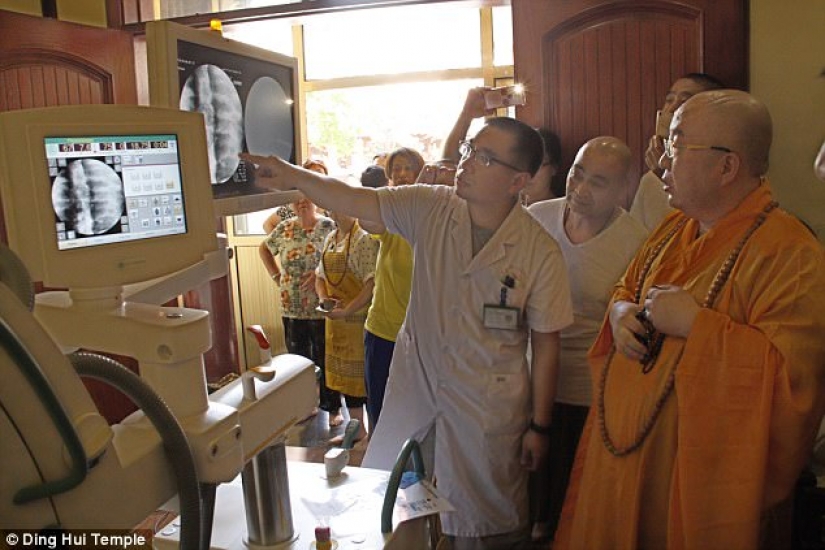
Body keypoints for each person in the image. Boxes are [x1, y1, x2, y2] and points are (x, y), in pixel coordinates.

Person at [242, 115, 573, 548]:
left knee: (485, 531)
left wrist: (540, 426)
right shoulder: (431, 206)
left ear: (519, 181)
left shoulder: (539, 251)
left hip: (487, 410)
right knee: (401, 515)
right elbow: (354, 199)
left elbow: (547, 344)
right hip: (415, 393)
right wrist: (291, 175)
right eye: (471, 149)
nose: (467, 162)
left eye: (485, 158)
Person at [555, 90, 825, 548]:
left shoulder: (790, 253)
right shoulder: (671, 229)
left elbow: (793, 386)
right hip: (625, 462)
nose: (660, 162)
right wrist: (620, 313)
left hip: (693, 484)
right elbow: (628, 288)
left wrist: (697, 326)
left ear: (727, 167)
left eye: (675, 146)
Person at [527, 136, 648, 543]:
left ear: (622, 189)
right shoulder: (535, 217)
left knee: (567, 505)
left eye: (597, 182)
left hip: (588, 393)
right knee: (522, 498)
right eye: (577, 173)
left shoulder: (637, 242)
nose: (579, 189)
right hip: (526, 382)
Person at [359, 147, 424, 433]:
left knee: (417, 414)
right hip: (383, 331)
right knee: (380, 412)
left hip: (421, 336)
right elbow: (366, 220)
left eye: (407, 167)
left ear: (421, 172)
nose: (400, 174)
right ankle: (381, 473)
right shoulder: (390, 220)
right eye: (395, 169)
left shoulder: (433, 216)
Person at [259, 196, 336, 418]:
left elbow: (338, 258)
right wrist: (276, 276)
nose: (302, 203)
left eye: (307, 199)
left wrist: (320, 274)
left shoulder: (328, 226)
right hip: (291, 304)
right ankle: (305, 407)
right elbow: (263, 249)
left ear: (316, 201)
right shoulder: (284, 227)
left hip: (321, 305)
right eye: (296, 200)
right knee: (298, 359)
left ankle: (331, 408)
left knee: (325, 357)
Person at [629, 73, 725, 231]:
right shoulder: (652, 179)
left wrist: (665, 172)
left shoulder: (718, 169)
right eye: (669, 100)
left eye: (685, 101)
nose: (672, 108)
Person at [315, 208, 378, 442]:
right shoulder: (331, 238)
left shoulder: (364, 238)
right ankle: (357, 431)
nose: (334, 211)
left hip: (358, 321)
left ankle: (374, 435)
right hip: (335, 322)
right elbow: (320, 276)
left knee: (365, 379)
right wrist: (323, 300)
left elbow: (371, 283)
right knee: (345, 380)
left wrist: (349, 310)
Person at [441, 86, 563, 206]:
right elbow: (448, 164)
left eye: (538, 165)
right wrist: (467, 114)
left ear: (553, 168)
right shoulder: (495, 204)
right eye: (520, 164)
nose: (529, 173)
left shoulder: (564, 215)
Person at [262, 159, 329, 234]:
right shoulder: (295, 206)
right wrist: (279, 244)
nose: (316, 177)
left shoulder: (332, 207)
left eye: (319, 173)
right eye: (311, 174)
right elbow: (267, 224)